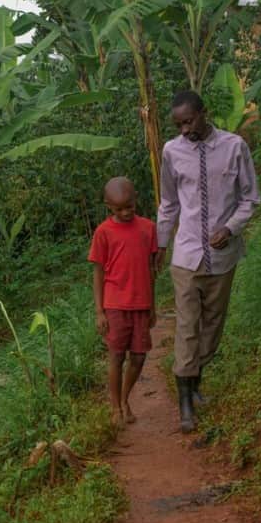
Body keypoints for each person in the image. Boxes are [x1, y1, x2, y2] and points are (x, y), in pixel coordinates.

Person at [156, 90, 260, 433]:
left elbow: (250, 199)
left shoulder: (234, 147)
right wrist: (159, 245)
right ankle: (185, 402)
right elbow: (169, 203)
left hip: (222, 256)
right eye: (179, 124)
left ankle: (194, 384)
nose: (185, 129)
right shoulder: (172, 152)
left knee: (213, 325)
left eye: (189, 121)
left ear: (204, 113)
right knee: (187, 324)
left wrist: (230, 228)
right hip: (186, 255)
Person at [88, 177, 158, 427]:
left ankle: (125, 398)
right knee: (117, 356)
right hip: (115, 304)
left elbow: (151, 270)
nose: (126, 212)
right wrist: (99, 311)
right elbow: (98, 273)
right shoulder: (103, 232)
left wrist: (153, 306)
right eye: (119, 209)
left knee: (139, 357)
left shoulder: (148, 228)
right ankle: (115, 407)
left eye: (130, 206)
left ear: (136, 200)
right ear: (109, 207)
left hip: (141, 304)